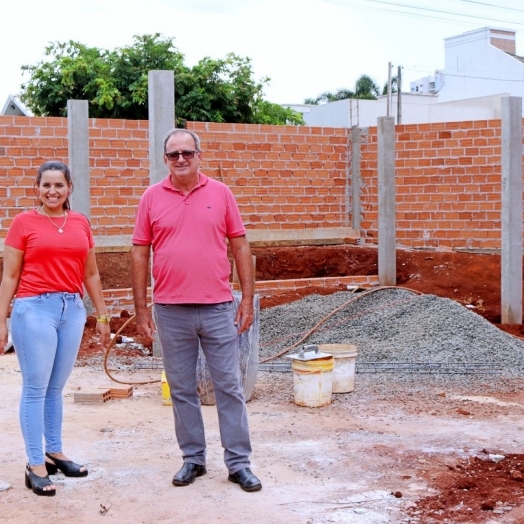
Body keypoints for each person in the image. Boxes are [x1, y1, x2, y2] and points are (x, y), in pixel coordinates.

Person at [131, 128, 262, 492]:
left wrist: (246, 299)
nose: (181, 159)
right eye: (173, 155)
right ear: (165, 160)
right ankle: (193, 458)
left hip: (219, 308)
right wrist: (142, 309)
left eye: (187, 152)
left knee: (229, 387)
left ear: (199, 155)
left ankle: (238, 463)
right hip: (171, 311)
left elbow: (240, 246)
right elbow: (140, 253)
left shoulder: (221, 194)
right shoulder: (151, 198)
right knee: (182, 389)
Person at [0, 161, 111, 497]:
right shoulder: (23, 223)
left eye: (58, 185)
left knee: (56, 387)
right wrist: (1, 320)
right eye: (46, 185)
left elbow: (90, 274)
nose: (52, 191)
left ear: (69, 188)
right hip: (33, 308)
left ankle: (54, 452)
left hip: (72, 310)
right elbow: (9, 275)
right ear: (37, 188)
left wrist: (103, 317)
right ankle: (34, 464)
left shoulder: (80, 222)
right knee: (36, 387)